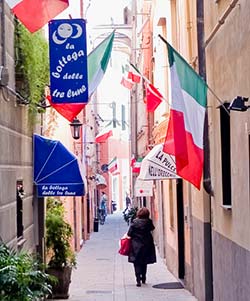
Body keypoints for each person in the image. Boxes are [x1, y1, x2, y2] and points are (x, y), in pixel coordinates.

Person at [127, 207, 156, 287]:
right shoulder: (149, 222)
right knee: (144, 262)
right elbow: (152, 228)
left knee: (136, 262)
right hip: (147, 244)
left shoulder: (134, 222)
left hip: (136, 245)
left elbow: (129, 233)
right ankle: (143, 278)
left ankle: (138, 280)